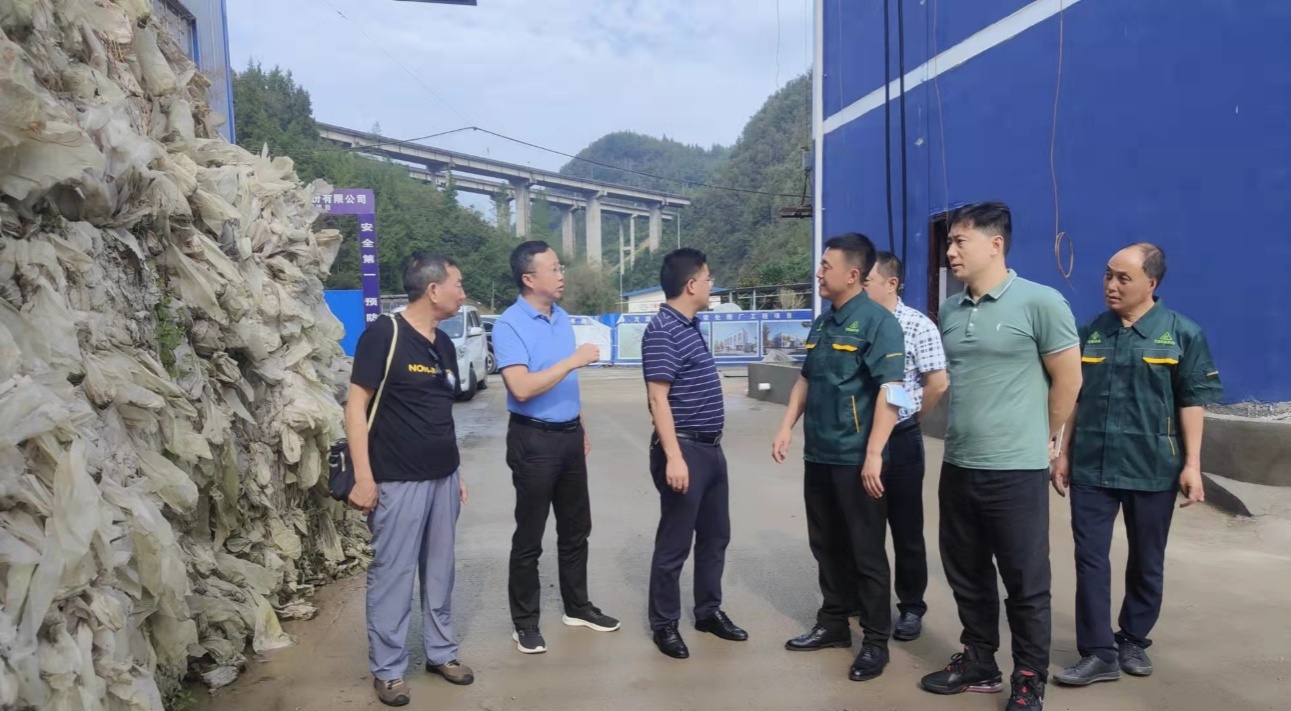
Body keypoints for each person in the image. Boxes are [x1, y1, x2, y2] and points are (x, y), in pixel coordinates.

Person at [917, 202, 1082, 711]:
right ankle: (979, 661)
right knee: (966, 572)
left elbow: (1069, 380)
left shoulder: (1041, 302)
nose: (949, 252)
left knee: (1025, 581)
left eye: (959, 241)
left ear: (995, 244)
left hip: (1016, 471)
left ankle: (1029, 677)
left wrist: (1043, 437)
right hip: (960, 463)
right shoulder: (950, 310)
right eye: (948, 242)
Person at [1051, 244, 1221, 687]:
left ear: (1152, 283)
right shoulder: (1091, 333)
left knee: (1147, 559)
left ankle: (1132, 638)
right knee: (1090, 559)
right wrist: (1063, 452)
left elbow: (1192, 401)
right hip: (1092, 465)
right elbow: (1074, 397)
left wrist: (1192, 464)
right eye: (1108, 275)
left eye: (1123, 278)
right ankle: (1098, 652)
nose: (1111, 285)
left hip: (1153, 466)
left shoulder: (1181, 333)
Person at [771, 232, 906, 683]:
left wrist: (874, 454)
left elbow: (892, 391)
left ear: (853, 274)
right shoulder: (823, 323)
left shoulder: (879, 323)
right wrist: (786, 426)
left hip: (856, 459)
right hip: (820, 455)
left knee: (866, 551)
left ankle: (875, 640)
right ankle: (833, 623)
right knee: (826, 543)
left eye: (826, 266)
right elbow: (806, 379)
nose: (818, 273)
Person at [345, 253, 474, 707]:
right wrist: (364, 477)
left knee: (440, 572)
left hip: (443, 479)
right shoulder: (385, 334)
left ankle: (441, 653)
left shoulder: (444, 344)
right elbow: (355, 406)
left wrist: (456, 471)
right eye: (458, 284)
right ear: (433, 290)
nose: (463, 293)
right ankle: (388, 670)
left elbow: (442, 415)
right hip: (397, 480)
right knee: (393, 575)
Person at [492, 240, 620, 655]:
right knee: (530, 534)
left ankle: (577, 606)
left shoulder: (560, 317)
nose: (561, 274)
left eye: (560, 267)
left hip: (568, 436)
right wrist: (573, 360)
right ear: (530, 279)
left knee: (576, 527)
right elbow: (521, 387)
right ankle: (525, 622)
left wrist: (579, 424)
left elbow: (566, 384)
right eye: (554, 268)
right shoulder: (509, 324)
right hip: (533, 439)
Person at [642, 248, 747, 659]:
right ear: (690, 285)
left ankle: (708, 611)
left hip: (710, 449)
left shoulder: (690, 325)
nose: (710, 285)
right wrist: (674, 457)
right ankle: (664, 623)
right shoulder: (663, 330)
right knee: (675, 542)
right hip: (684, 448)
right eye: (707, 278)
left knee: (716, 535)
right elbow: (657, 398)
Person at [862, 250, 949, 642]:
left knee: (906, 529)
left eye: (867, 281)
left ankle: (911, 607)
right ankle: (866, 603)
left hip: (901, 441)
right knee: (864, 528)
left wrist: (912, 417)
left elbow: (937, 383)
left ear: (891, 283)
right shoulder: (858, 323)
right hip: (861, 440)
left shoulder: (917, 325)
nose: (861, 288)